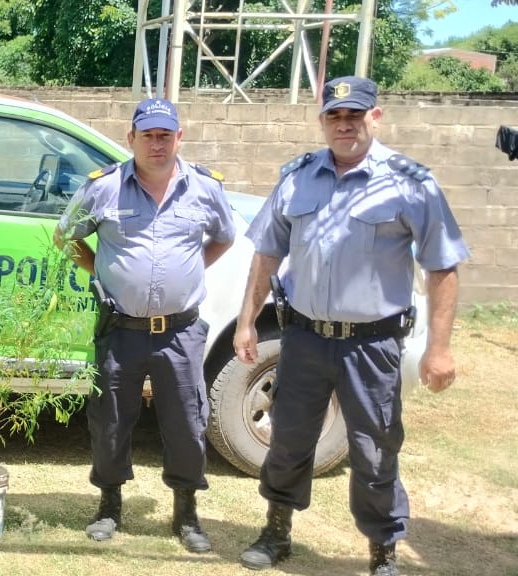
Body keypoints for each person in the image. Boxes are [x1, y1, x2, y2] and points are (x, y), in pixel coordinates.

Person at [233, 76, 469, 576]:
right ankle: (277, 533)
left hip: (372, 344)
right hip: (303, 339)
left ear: (375, 117)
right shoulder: (296, 178)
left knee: (374, 448)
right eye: (334, 117)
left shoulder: (410, 182)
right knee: (288, 440)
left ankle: (382, 553)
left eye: (355, 116)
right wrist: (246, 322)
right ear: (322, 121)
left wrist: (440, 350)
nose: (344, 125)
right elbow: (267, 254)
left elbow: (442, 266)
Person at [55, 98, 236, 554]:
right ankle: (110, 505)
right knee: (111, 421)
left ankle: (186, 511)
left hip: (181, 330)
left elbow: (224, 238)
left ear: (179, 138)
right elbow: (65, 236)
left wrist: (188, 272)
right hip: (121, 328)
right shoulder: (104, 187)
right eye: (148, 135)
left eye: (165, 135)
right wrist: (102, 272)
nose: (157, 144)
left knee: (188, 423)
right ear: (131, 138)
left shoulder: (205, 188)